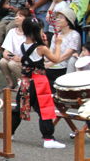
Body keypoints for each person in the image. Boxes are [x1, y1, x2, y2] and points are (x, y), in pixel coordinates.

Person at [10, 17, 65, 149]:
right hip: (39, 81)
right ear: (36, 31)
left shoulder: (23, 45)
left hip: (25, 81)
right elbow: (56, 59)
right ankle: (48, 138)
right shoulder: (41, 48)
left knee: (20, 108)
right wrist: (57, 44)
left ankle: (9, 133)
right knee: (44, 109)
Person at [46, 7, 81, 88]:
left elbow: (67, 55)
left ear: (68, 21)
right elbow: (51, 52)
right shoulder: (56, 35)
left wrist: (51, 63)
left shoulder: (74, 35)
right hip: (56, 64)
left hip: (67, 65)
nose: (57, 19)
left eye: (61, 18)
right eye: (57, 17)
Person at [0, 8, 31, 90]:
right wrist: (12, 57)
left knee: (12, 64)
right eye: (16, 15)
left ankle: (22, 84)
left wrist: (20, 59)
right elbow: (5, 52)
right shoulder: (12, 32)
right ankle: (11, 83)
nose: (16, 17)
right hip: (14, 59)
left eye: (20, 16)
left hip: (26, 62)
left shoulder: (30, 34)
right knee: (2, 61)